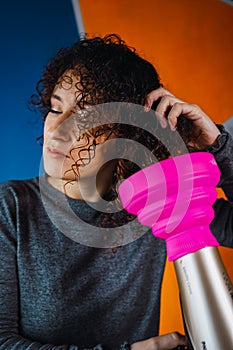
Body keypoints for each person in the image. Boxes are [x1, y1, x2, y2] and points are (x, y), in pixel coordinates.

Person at [0, 34, 232, 350]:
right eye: (56, 110)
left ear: (128, 132)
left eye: (86, 116)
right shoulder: (10, 207)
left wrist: (218, 145)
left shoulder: (155, 203)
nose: (58, 129)